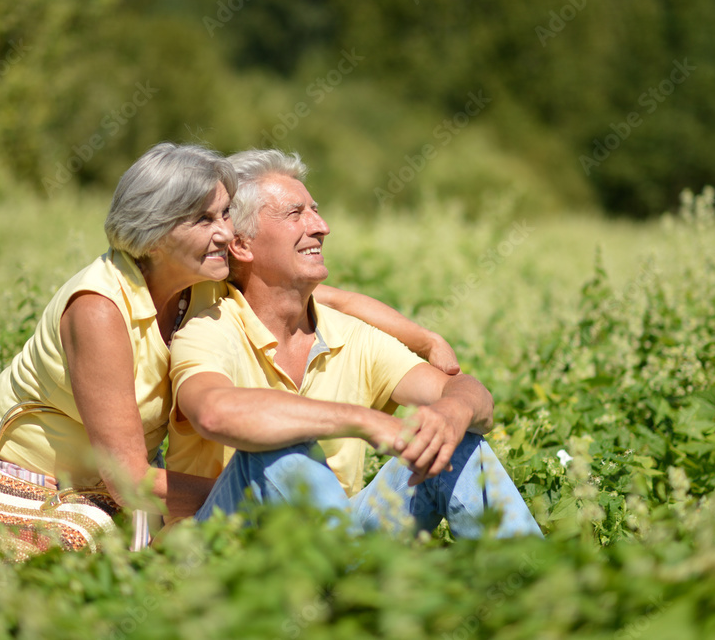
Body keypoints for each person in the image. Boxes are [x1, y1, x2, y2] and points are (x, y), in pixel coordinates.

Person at [0, 142, 459, 548]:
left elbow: (337, 299)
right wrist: (256, 505)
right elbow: (129, 480)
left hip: (108, 484)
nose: (225, 232)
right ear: (156, 232)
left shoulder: (199, 275)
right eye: (206, 219)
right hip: (23, 476)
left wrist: (426, 338)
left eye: (227, 214)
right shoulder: (99, 310)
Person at [166, 149, 543, 539]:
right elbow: (213, 412)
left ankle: (535, 587)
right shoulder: (209, 328)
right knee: (280, 445)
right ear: (242, 245)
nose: (321, 226)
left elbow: (468, 392)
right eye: (296, 214)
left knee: (457, 443)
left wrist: (453, 411)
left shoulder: (349, 334)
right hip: (228, 553)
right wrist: (363, 420)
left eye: (316, 210)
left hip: (340, 542)